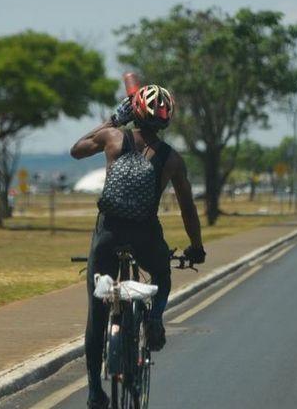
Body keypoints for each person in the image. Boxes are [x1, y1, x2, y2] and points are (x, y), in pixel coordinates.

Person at [70, 84, 206, 408]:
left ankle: (94, 391)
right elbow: (188, 208)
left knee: (97, 310)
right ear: (166, 119)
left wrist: (114, 119)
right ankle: (155, 318)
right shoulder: (172, 159)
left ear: (135, 113)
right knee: (161, 271)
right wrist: (196, 246)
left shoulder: (113, 138)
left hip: (108, 234)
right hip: (145, 235)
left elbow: (76, 150)